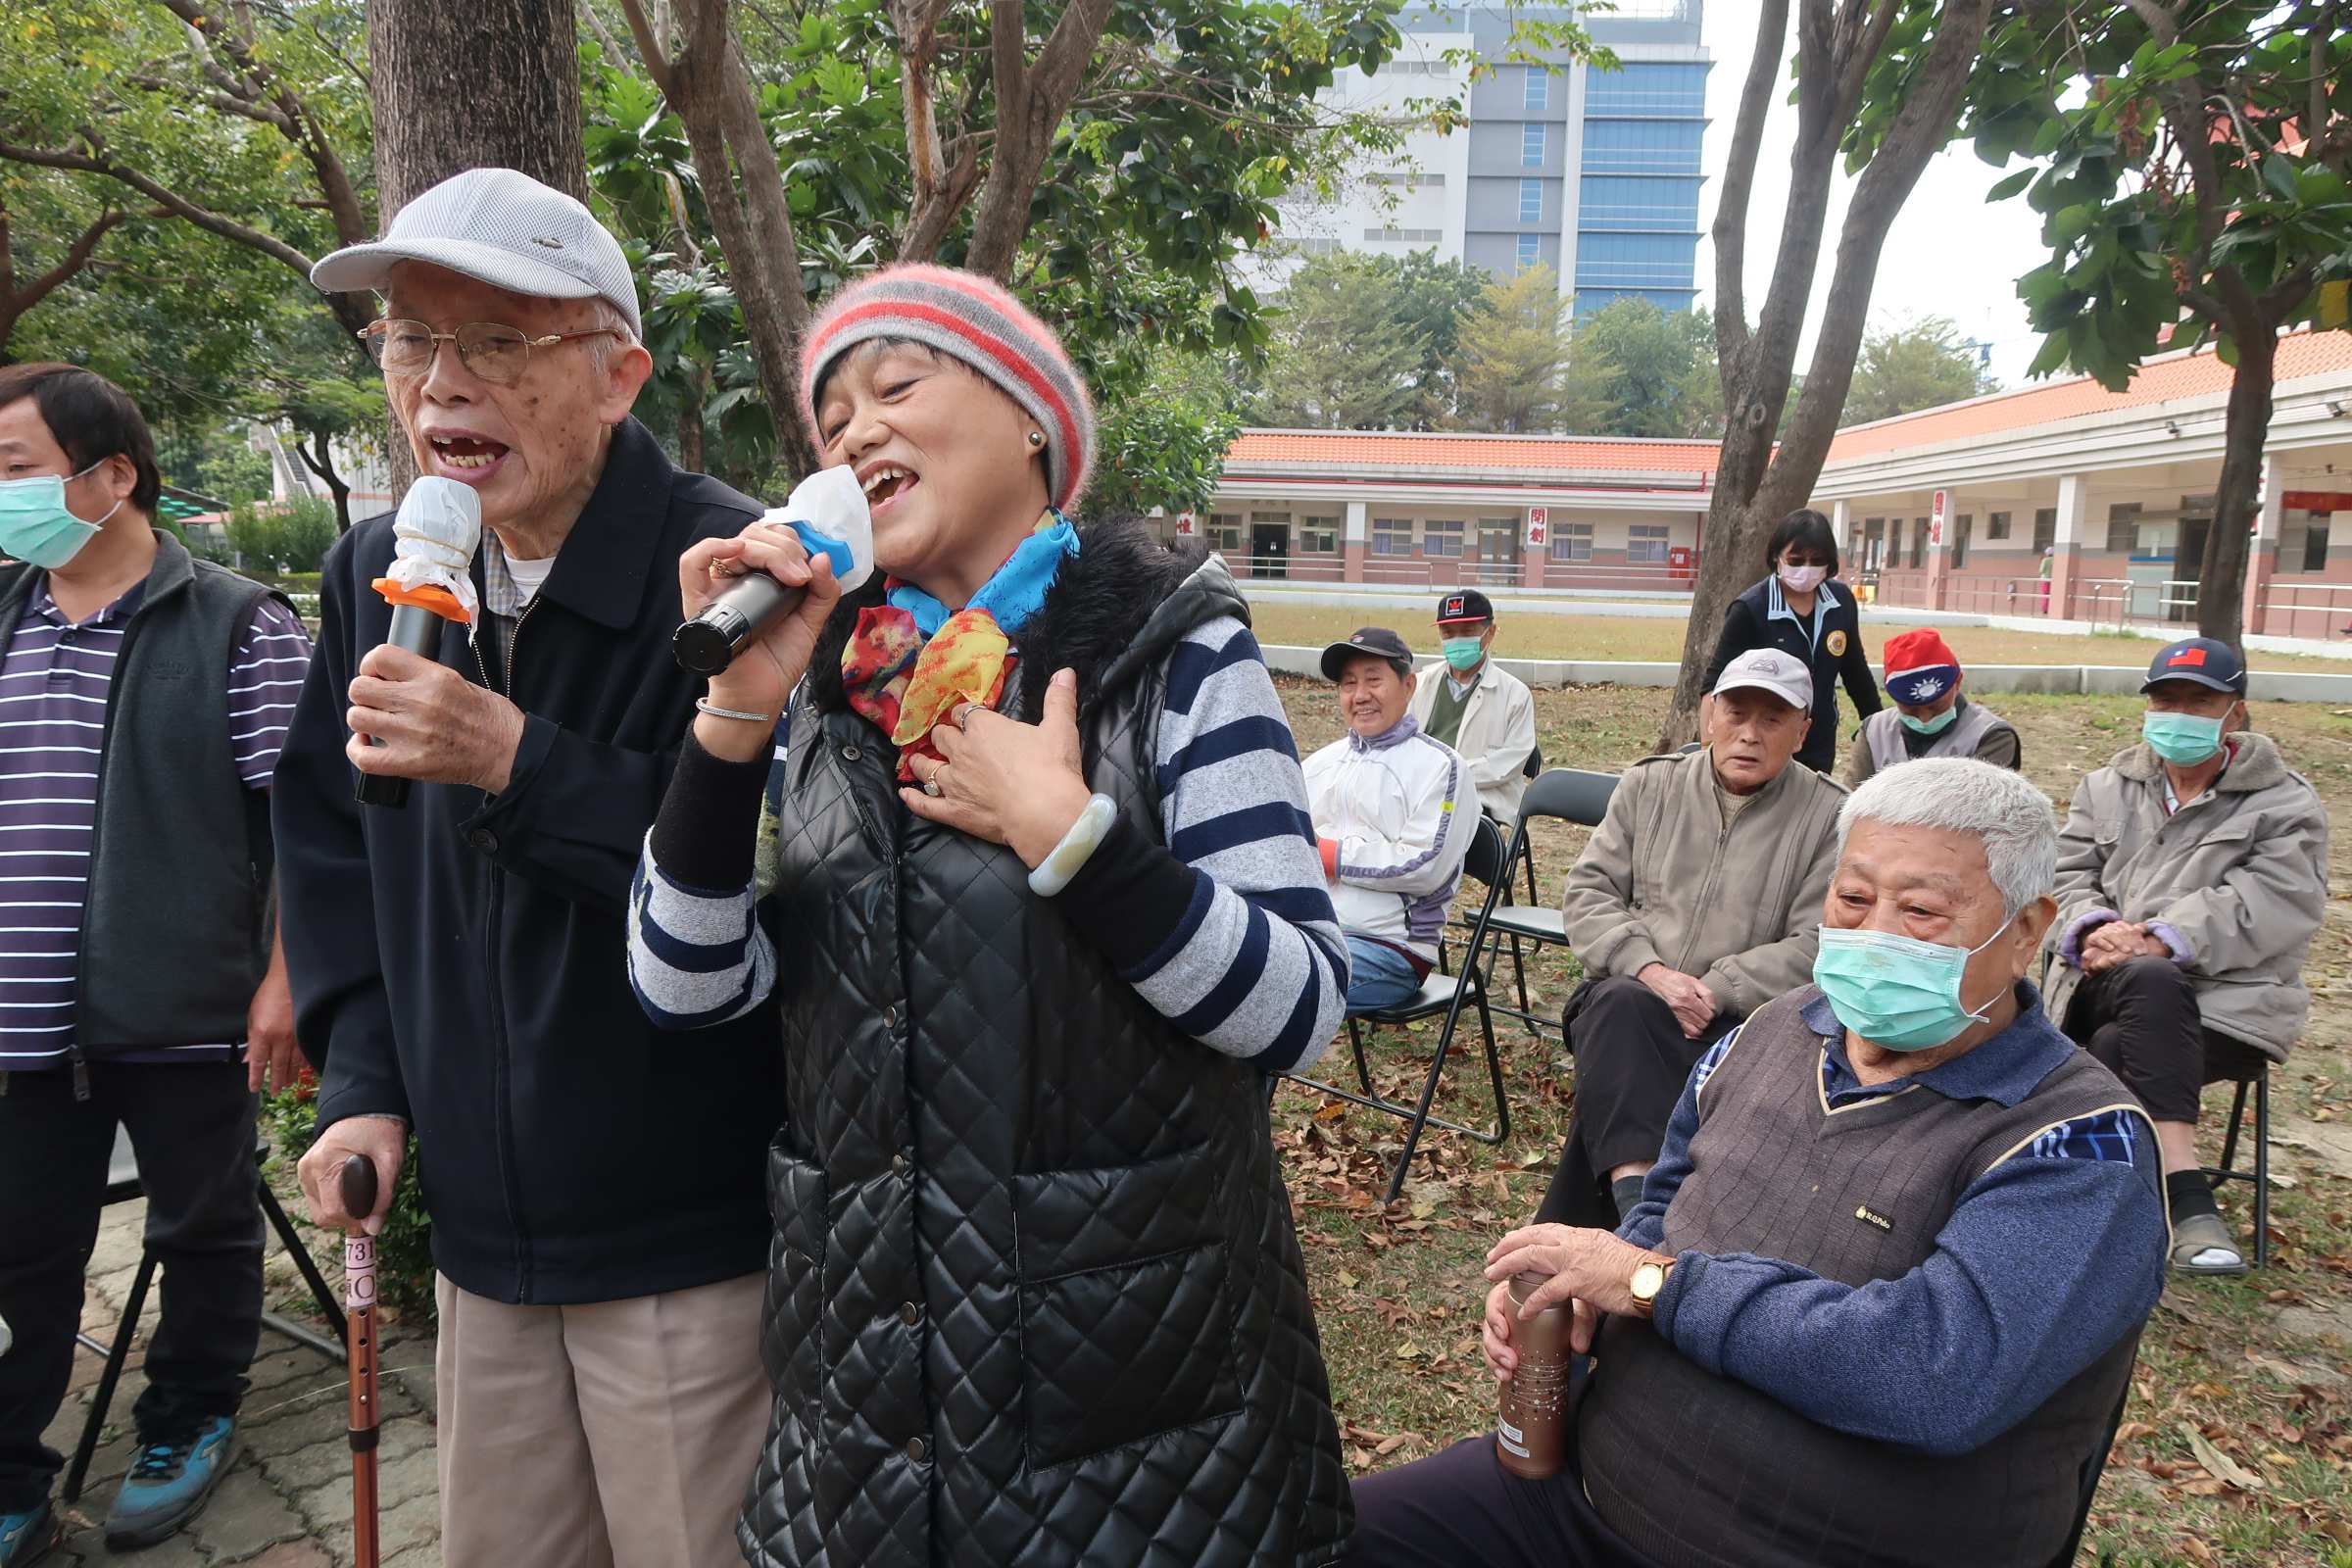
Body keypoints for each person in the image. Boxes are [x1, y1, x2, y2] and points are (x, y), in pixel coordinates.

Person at [624, 264, 1352, 1565]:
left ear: (1030, 420)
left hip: (1141, 1407)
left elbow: (1297, 1012)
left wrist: (1077, 840)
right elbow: (684, 985)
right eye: (831, 416)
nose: (851, 431)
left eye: (895, 384)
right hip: (869, 1393)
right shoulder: (828, 686)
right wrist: (732, 715)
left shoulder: (1170, 647)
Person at [271, 169, 781, 1568]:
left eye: (496, 342)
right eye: (411, 341)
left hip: (690, 1236)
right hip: (479, 1237)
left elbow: (785, 874)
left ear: (619, 374)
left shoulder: (731, 574)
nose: (442, 385)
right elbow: (335, 843)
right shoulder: (377, 568)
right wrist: (365, 1082)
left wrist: (520, 761)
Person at [1346, 759, 2168, 1568]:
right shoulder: (1778, 1029)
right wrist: (1592, 1301)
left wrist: (1650, 1285)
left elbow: (1935, 1376)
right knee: (1303, 1537)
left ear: (2026, 930)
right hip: (1574, 1490)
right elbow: (1662, 1209)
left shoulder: (2080, 1142)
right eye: (1852, 898)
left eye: (1920, 911)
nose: (1874, 933)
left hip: (1794, 1544)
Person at [0, 365, 311, 1565]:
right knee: (20, 1245)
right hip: (22, 1022)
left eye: (17, 466)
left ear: (111, 476)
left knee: (202, 1225)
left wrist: (286, 979)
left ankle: (189, 1415)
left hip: (183, 1003)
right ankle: (14, 1471)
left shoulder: (234, 620)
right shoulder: (6, 618)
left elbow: (304, 826)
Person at [2047, 636, 2328, 1275]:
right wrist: (2092, 928)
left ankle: (2090, 1209)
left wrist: (2161, 937)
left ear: (2235, 711)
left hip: (2225, 1010)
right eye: (2166, 699)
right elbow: (2063, 876)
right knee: (2142, 986)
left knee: (2121, 1043)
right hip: (2099, 980)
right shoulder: (2106, 786)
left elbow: (2275, 902)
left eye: (2199, 702)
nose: (2179, 714)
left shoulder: (2283, 803)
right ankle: (2189, 1203)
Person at [1537, 648, 1844, 1227]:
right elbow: (1587, 893)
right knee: (1623, 1008)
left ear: (1802, 732)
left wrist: (1718, 988)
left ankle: (1617, 1215)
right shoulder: (1649, 787)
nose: (1749, 734)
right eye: (1735, 714)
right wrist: (1652, 971)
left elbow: (1818, 941)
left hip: (1743, 1021)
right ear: (1709, 716)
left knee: (1622, 1072)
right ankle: (1643, 1210)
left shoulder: (1828, 816)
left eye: (1772, 719)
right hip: (1629, 999)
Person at [1306, 627, 1480, 1015]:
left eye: (1373, 679)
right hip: (1310, 930)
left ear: (1408, 684)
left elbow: (1426, 866)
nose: (1360, 695)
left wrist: (1331, 856)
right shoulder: (1319, 764)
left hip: (1389, 949)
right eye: (1348, 683)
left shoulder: (1442, 768)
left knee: (1258, 995)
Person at [1702, 508, 1880, 773]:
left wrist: (1877, 728)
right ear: (1777, 557)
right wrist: (1709, 748)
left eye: (1816, 560)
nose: (1805, 569)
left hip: (1819, 738)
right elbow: (1714, 683)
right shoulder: (1751, 608)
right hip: (1765, 738)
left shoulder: (1841, 602)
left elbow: (1856, 672)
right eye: (1796, 560)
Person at [1406, 588, 1538, 825]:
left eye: (1467, 632)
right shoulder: (1420, 684)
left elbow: (1508, 762)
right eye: (1448, 633)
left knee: (1449, 825)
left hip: (1481, 800)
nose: (1456, 641)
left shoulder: (1515, 694)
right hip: (1420, 793)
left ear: (1491, 632)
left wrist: (1450, 774)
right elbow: (1403, 743)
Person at [1840, 628, 2019, 786]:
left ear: (1958, 683)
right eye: (1912, 710)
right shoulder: (1874, 731)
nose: (1926, 719)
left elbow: (1983, 809)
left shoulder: (1991, 736)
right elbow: (1850, 799)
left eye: (1936, 707)